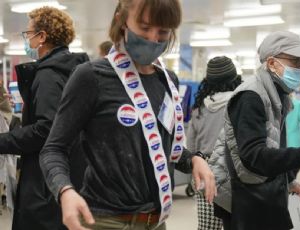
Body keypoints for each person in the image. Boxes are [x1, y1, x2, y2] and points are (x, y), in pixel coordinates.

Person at [39, 1, 216, 230]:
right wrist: (65, 191)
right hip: (105, 221)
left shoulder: (167, 81)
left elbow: (163, 148)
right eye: (144, 28)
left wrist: (193, 159)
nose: (153, 39)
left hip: (156, 222)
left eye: (163, 32)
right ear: (122, 20)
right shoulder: (91, 77)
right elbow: (53, 148)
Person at [209, 31, 300, 230]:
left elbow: (273, 144)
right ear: (272, 63)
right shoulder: (250, 96)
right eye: (295, 61)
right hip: (243, 197)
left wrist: (289, 181)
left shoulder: (278, 94)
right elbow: (254, 156)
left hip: (259, 189)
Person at [0, 7, 89, 230]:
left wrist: (4, 140)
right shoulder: (73, 70)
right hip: (71, 172)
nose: (26, 38)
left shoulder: (48, 74)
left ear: (42, 36)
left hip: (44, 184)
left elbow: (46, 129)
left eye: (28, 33)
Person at [187, 56, 242, 230]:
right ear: (235, 78)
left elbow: (191, 147)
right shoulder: (240, 103)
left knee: (208, 226)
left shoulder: (198, 109)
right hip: (234, 171)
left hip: (205, 169)